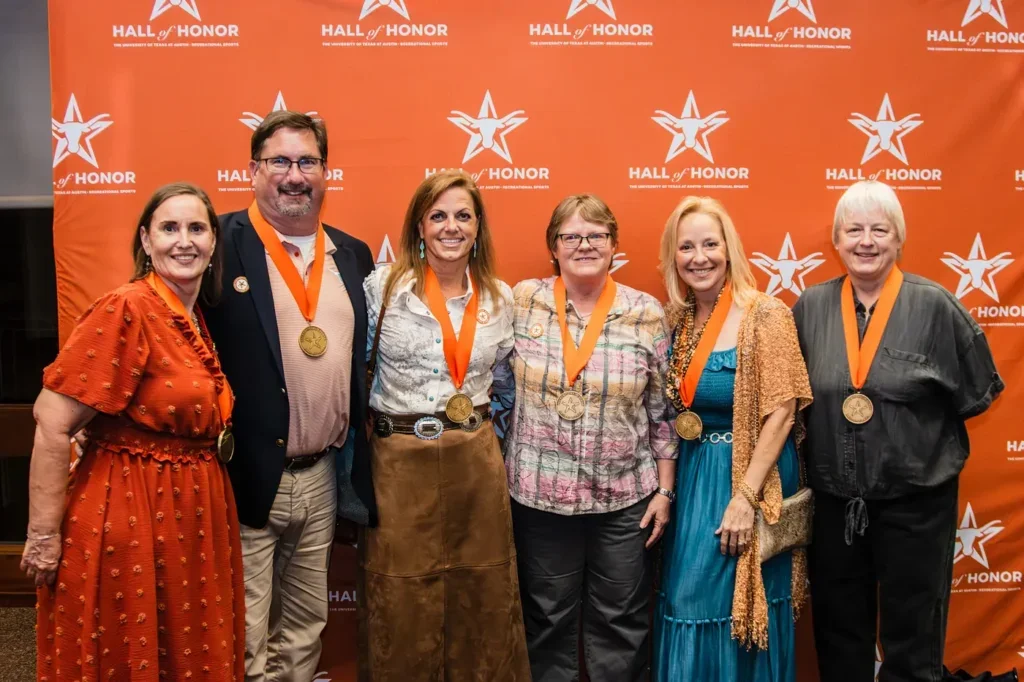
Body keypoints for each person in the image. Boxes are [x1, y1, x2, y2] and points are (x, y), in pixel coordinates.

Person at [23, 182, 245, 680]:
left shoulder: (189, 313)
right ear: (146, 241)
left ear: (213, 244)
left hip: (190, 509)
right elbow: (52, 423)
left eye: (196, 228)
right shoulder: (127, 307)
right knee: (132, 653)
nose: (183, 241)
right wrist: (42, 535)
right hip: (130, 510)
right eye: (169, 228)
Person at [792, 180, 1004, 682]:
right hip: (833, 501)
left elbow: (977, 393)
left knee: (914, 634)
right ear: (837, 241)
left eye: (879, 230)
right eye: (854, 230)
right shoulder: (810, 307)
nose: (866, 241)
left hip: (916, 502)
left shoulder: (936, 306)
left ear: (898, 239)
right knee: (840, 630)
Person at [202, 110, 376, 681]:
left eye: (307, 161)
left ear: (326, 171)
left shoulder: (351, 255)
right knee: (244, 631)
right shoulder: (217, 244)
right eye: (280, 161)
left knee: (306, 626)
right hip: (245, 475)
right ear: (253, 170)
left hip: (324, 473)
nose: (294, 175)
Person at [495, 194, 676, 682]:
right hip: (539, 498)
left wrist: (664, 491)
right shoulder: (521, 300)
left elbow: (662, 414)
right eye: (571, 236)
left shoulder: (647, 313)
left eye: (596, 236)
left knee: (620, 623)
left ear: (614, 244)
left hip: (624, 500)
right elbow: (494, 388)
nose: (584, 245)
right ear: (553, 247)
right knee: (547, 621)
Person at [359, 169, 530, 680]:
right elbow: (356, 366)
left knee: (484, 591)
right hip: (397, 461)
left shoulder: (501, 299)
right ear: (419, 226)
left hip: (473, 458)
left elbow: (506, 386)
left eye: (462, 215)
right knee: (399, 591)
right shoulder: (382, 288)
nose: (450, 227)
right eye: (438, 216)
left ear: (478, 228)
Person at [652, 195, 813, 682]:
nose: (698, 257)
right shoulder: (678, 320)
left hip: (752, 479)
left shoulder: (766, 314)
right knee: (688, 599)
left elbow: (783, 413)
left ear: (730, 250)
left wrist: (745, 495)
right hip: (697, 474)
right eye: (686, 247)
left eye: (709, 244)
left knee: (747, 607)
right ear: (672, 257)